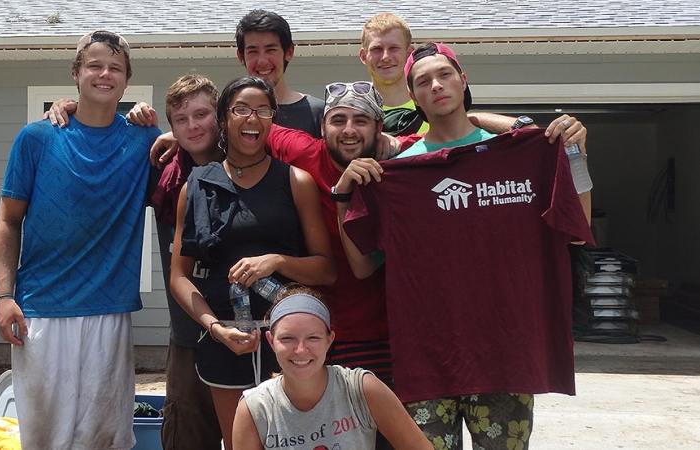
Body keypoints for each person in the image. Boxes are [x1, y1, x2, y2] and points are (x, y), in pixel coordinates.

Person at [335, 42, 594, 450]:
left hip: (505, 356)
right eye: (422, 81)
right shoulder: (398, 174)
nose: (436, 85)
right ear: (413, 96)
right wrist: (343, 198)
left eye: (444, 75)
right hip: (427, 360)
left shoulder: (521, 153)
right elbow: (364, 266)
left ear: (463, 80)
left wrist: (575, 155)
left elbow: (577, 229)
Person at [0, 30, 162, 450]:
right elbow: (9, 221)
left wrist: (156, 124)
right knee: (44, 437)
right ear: (75, 73)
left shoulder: (145, 141)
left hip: (110, 309)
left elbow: (197, 148)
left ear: (125, 80)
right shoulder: (37, 138)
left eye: (115, 68)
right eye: (95, 65)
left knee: (103, 436)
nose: (105, 74)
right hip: (41, 310)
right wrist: (3, 296)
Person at [170, 75, 336, 450]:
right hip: (227, 340)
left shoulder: (296, 181)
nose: (252, 118)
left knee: (298, 442)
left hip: (292, 343)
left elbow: (327, 269)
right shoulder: (195, 187)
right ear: (224, 119)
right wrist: (214, 328)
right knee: (242, 445)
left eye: (263, 110)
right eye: (241, 109)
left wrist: (276, 261)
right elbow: (179, 277)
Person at [233, 287, 434, 450]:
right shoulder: (254, 409)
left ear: (330, 340)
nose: (301, 350)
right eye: (287, 338)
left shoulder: (362, 389)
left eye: (313, 338)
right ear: (270, 341)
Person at [151, 73, 224, 450]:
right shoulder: (162, 173)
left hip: (246, 330)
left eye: (202, 114)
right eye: (181, 119)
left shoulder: (251, 163)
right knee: (186, 436)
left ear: (220, 115)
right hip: (187, 335)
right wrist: (67, 106)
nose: (193, 125)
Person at [359, 13, 517, 137]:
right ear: (364, 56)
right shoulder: (352, 114)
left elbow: (462, 125)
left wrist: (521, 125)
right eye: (376, 49)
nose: (385, 56)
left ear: (409, 54)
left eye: (394, 48)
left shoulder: (434, 101)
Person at [236, 9, 324, 138]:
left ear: (289, 52)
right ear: (241, 57)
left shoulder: (318, 113)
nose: (262, 61)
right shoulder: (232, 116)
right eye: (253, 52)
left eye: (270, 50)